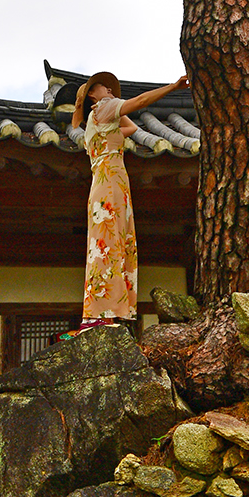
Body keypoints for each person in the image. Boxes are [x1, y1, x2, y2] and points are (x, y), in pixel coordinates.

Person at [71, 69, 189, 330]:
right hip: (111, 185)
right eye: (103, 87)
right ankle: (98, 312)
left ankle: (107, 310)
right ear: (92, 95)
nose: (110, 90)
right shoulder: (103, 108)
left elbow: (132, 127)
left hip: (109, 184)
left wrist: (116, 107)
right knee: (108, 241)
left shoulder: (97, 120)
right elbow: (141, 102)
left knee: (111, 241)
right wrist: (172, 86)